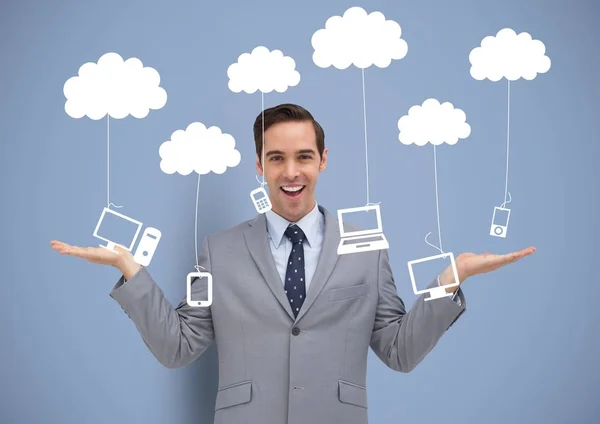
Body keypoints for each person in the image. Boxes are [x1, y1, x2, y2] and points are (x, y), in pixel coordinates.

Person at [50, 103, 535, 424]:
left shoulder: (367, 246)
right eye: (275, 158)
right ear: (258, 165)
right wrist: (128, 267)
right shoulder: (217, 250)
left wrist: (451, 279)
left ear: (323, 159)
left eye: (303, 156)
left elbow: (398, 350)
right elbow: (179, 346)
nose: (291, 172)